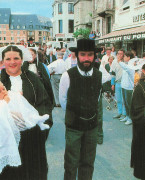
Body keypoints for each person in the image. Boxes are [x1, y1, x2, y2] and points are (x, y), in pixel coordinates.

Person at [0, 45, 53, 179]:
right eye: (8, 59)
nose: (12, 62)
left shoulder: (33, 80)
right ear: (3, 61)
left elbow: (45, 104)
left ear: (22, 60)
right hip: (5, 140)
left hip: (30, 139)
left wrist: (37, 127)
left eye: (16, 58)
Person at [59, 39, 103, 180]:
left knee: (88, 162)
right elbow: (63, 100)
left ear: (94, 56)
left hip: (92, 126)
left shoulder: (98, 75)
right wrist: (75, 115)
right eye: (83, 54)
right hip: (74, 126)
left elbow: (97, 99)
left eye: (90, 55)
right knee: (71, 163)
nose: (86, 58)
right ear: (77, 55)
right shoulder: (68, 75)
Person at [119, 51, 135, 125]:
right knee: (125, 103)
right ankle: (127, 116)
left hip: (129, 88)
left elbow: (127, 68)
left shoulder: (131, 65)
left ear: (129, 57)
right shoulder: (127, 64)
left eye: (125, 56)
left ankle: (130, 118)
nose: (124, 58)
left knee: (129, 103)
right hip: (124, 86)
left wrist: (119, 61)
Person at [111, 49, 127, 120]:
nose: (120, 55)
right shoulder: (114, 62)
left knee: (124, 99)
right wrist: (112, 84)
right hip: (117, 82)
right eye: (118, 54)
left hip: (125, 83)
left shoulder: (125, 62)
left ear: (123, 54)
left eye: (121, 54)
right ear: (116, 55)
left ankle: (124, 114)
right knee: (119, 99)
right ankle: (119, 112)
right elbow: (113, 73)